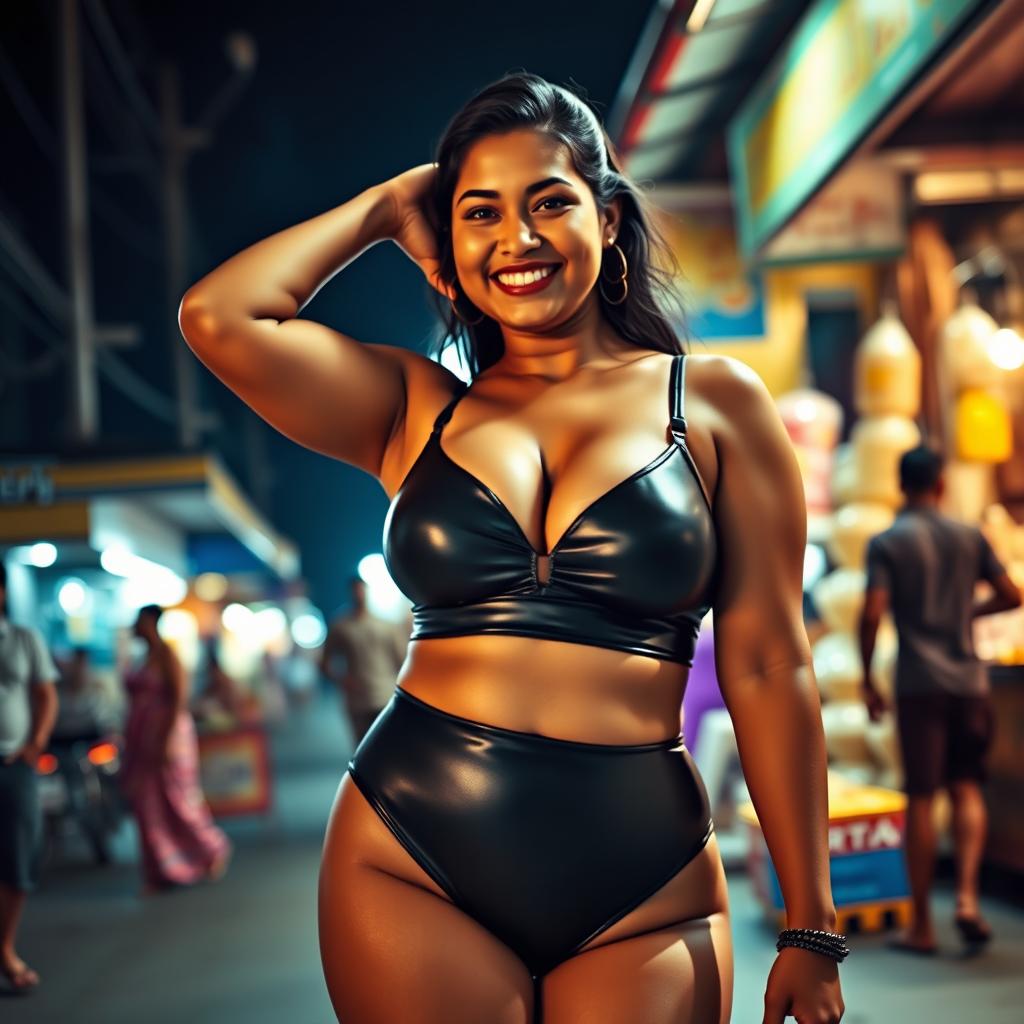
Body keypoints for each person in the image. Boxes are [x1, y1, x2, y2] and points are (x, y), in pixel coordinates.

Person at [179, 73, 845, 1024]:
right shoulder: (411, 409)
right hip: (410, 850)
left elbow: (773, 666)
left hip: (642, 875)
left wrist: (810, 927)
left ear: (608, 221)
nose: (516, 241)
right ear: (446, 240)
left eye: (549, 203)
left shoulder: (714, 405)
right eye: (479, 214)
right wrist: (384, 207)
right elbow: (218, 318)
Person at [860, 444, 1021, 956]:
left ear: (899, 484)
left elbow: (871, 612)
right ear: (942, 484)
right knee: (968, 787)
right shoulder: (969, 536)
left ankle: (922, 927)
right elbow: (1013, 594)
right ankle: (969, 900)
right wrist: (967, 617)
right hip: (970, 683)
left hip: (918, 684)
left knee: (923, 798)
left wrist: (866, 676)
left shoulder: (888, 542)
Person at [120, 605, 232, 893]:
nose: (135, 626)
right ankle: (161, 870)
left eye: (140, 621)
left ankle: (211, 850)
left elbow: (179, 698)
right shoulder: (141, 659)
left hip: (168, 738)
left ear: (151, 623)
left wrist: (165, 739)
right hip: (141, 740)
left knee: (179, 800)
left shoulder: (168, 656)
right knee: (148, 806)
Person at [0, 562, 59, 993]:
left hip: (13, 765)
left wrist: (35, 744)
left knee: (19, 860)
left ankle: (5, 947)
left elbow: (45, 695)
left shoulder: (22, 640)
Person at [319, 577, 406, 747]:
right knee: (363, 747)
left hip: (385, 695)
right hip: (357, 699)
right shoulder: (341, 625)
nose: (359, 594)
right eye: (355, 590)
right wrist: (342, 680)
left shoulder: (387, 625)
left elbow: (402, 660)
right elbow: (324, 662)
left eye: (362, 590)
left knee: (388, 745)